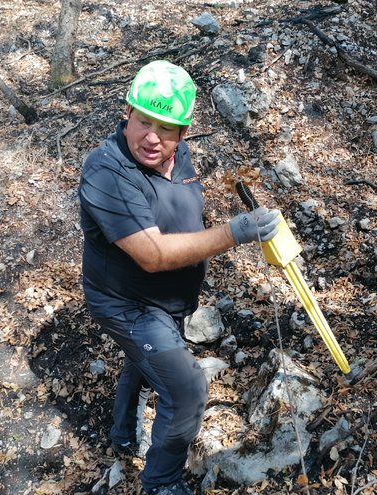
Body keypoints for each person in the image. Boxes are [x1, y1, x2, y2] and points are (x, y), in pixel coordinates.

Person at [78, 60, 280, 495]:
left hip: (169, 301)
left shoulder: (177, 153)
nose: (153, 137)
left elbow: (180, 207)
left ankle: (123, 436)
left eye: (167, 128)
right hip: (127, 303)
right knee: (186, 389)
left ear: (183, 132)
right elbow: (151, 255)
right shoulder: (107, 173)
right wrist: (233, 232)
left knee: (144, 359)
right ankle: (161, 483)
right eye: (144, 121)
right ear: (126, 115)